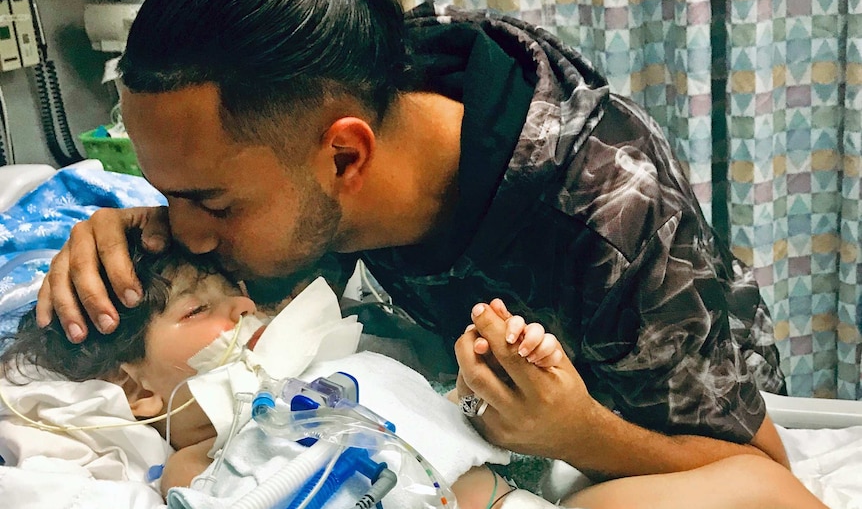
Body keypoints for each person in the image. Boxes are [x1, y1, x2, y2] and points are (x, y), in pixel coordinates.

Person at [38, 0, 791, 483]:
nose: (189, 235)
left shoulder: (606, 205)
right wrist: (127, 240)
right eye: (168, 194)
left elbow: (761, 470)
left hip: (655, 429)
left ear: (345, 157)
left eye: (209, 203)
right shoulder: (348, 81)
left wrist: (574, 431)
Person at [3, 237, 829, 509]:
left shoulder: (350, 357)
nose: (242, 314)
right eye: (202, 311)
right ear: (140, 388)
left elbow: (449, 417)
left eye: (239, 294)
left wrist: (498, 372)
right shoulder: (190, 462)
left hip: (510, 491)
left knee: (767, 491)